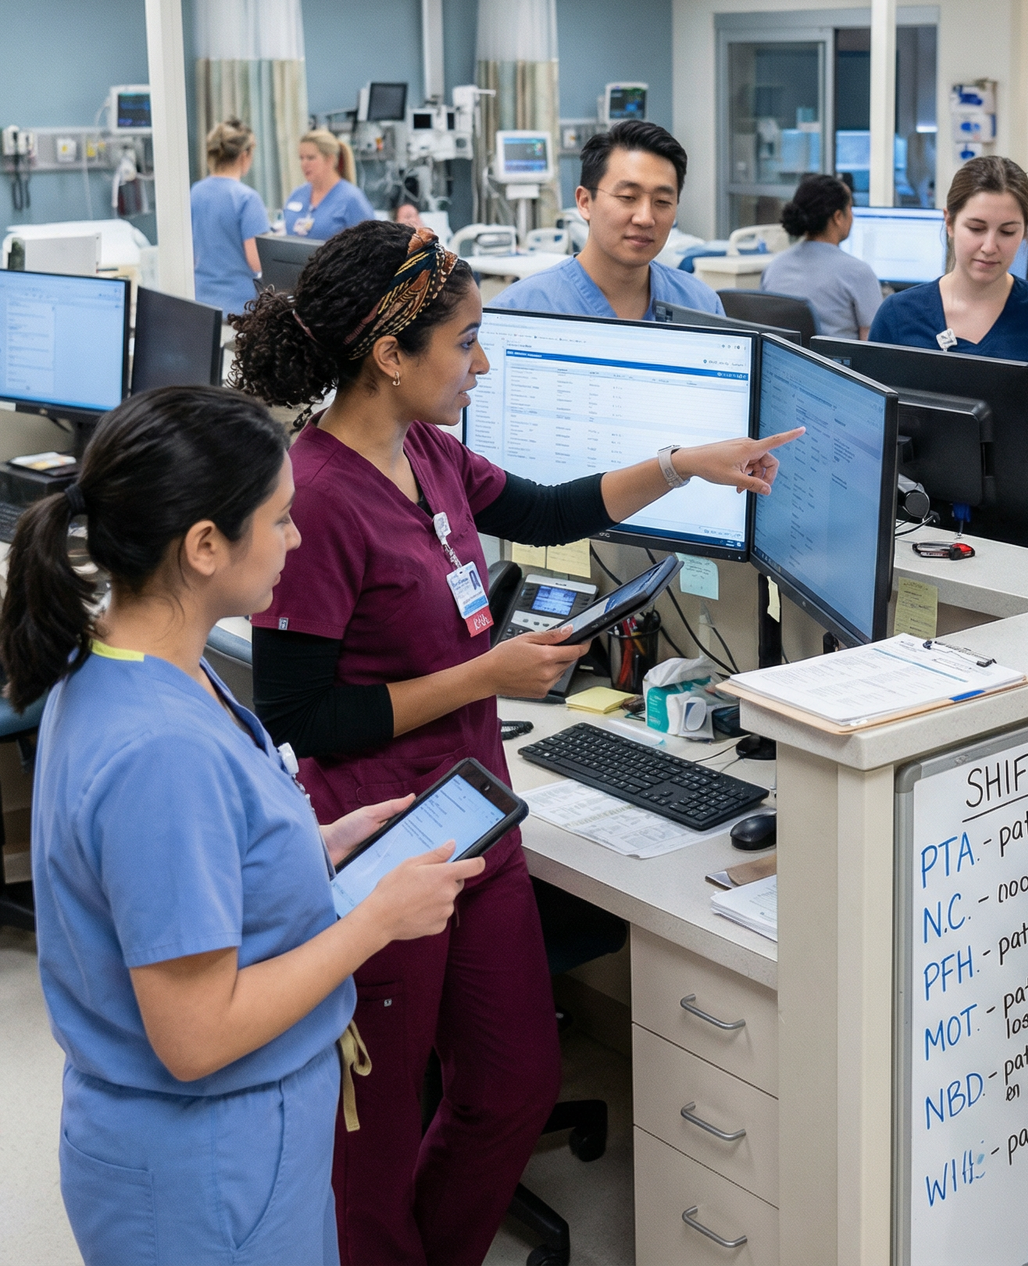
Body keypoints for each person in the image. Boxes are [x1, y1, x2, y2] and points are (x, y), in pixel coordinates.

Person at [231, 220, 795, 1265]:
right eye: (467, 342)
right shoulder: (311, 493)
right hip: (387, 840)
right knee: (377, 1130)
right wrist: (483, 676)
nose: (482, 364)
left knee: (514, 1083)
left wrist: (682, 463)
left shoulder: (427, 449)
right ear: (391, 356)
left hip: (478, 814)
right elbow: (299, 714)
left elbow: (541, 511)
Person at [6, 387, 482, 1266]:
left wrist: (314, 845)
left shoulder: (138, 664)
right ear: (203, 547)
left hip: (232, 1148)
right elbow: (196, 1036)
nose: (295, 541)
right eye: (281, 520)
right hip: (207, 1167)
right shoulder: (158, 752)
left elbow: (194, 857)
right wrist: (375, 918)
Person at [869, 155, 1028, 554]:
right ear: (949, 222)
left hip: (1022, 536)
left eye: (1008, 231)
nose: (990, 247)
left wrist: (1015, 432)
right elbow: (870, 432)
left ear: (1025, 232)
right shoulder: (899, 316)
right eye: (976, 228)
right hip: (914, 530)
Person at [494, 120, 722, 320]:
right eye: (627, 197)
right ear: (584, 202)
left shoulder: (701, 306)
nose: (645, 218)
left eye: (662, 201)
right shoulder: (519, 310)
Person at [759, 173, 881, 339]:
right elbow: (872, 344)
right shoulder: (858, 273)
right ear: (838, 217)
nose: (852, 215)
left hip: (783, 363)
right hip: (835, 366)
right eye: (850, 208)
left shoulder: (774, 267)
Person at [189, 119, 269, 316]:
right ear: (245, 155)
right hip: (238, 307)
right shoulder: (246, 198)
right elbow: (257, 262)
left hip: (200, 303)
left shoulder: (195, 192)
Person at [283, 129, 374, 241]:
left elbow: (371, 245)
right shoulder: (297, 195)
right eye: (301, 158)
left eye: (311, 158)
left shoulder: (351, 199)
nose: (304, 164)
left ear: (330, 159)